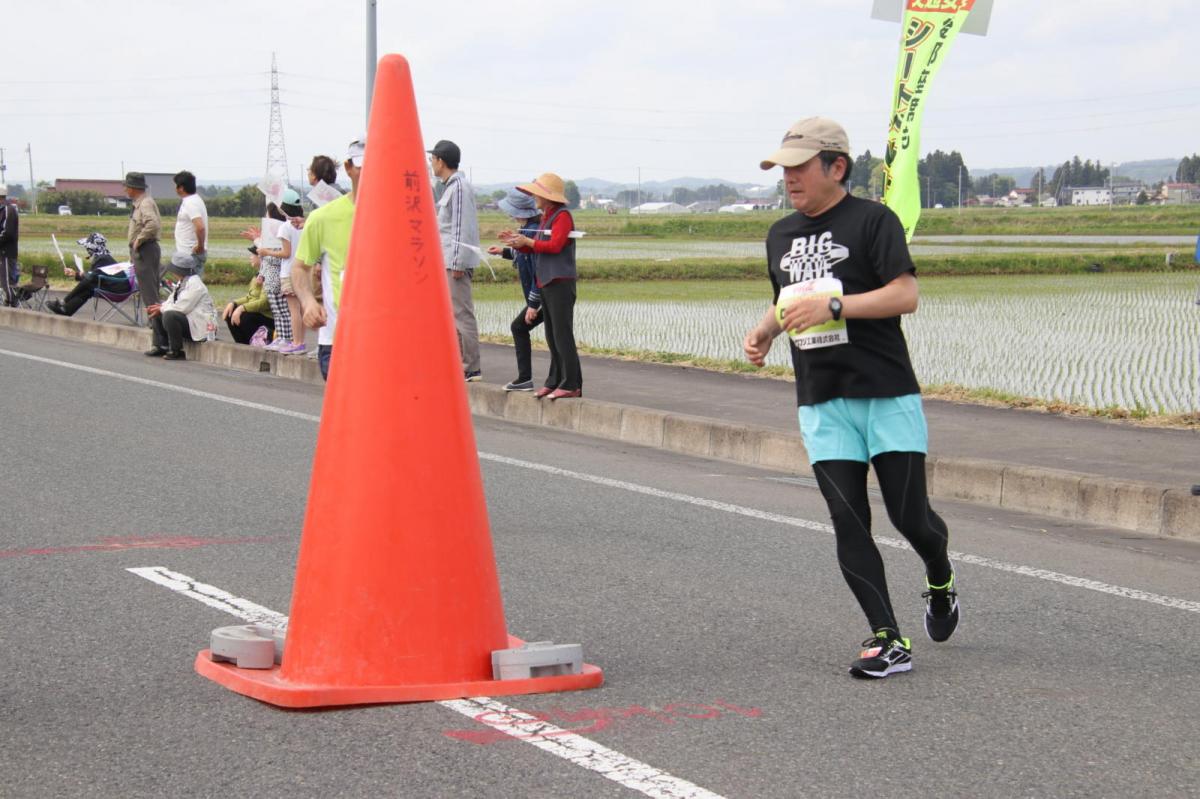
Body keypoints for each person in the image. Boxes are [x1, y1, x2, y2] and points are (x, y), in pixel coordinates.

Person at [742, 117, 958, 679]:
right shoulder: (780, 234)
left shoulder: (873, 221)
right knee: (848, 519)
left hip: (885, 391)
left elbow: (906, 295)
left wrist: (838, 307)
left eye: (799, 167)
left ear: (836, 167)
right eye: (783, 169)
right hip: (821, 396)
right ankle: (887, 636)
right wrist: (766, 328)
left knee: (912, 520)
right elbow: (788, 297)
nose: (788, 178)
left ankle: (939, 575)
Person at [499, 172, 581, 400]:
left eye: (537, 193)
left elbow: (555, 246)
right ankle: (554, 381)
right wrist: (518, 244)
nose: (534, 197)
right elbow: (536, 248)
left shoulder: (563, 216)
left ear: (548, 196)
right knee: (552, 335)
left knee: (562, 335)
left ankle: (571, 383)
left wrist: (528, 242)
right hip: (546, 282)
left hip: (560, 283)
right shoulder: (547, 217)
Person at [292, 138, 362, 381]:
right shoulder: (323, 217)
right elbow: (300, 267)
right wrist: (308, 301)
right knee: (347, 418)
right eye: (363, 166)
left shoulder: (404, 219)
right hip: (336, 342)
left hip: (388, 344)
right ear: (349, 167)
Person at [427, 139, 482, 382]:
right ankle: (461, 363)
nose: (431, 163)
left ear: (441, 160)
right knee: (454, 314)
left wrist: (458, 263)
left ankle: (471, 367)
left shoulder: (458, 187)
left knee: (462, 313)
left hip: (454, 261)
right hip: (448, 260)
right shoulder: (450, 186)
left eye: (432, 159)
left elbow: (461, 226)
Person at [487, 188, 543, 391]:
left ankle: (527, 378)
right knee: (553, 337)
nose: (510, 214)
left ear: (520, 211)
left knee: (520, 327)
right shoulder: (528, 229)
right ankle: (533, 379)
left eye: (512, 210)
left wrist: (533, 304)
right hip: (540, 295)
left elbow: (540, 270)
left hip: (543, 295)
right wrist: (502, 251)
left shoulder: (535, 232)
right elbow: (523, 254)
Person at [146, 253, 216, 361]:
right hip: (190, 321)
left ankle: (176, 350)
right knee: (160, 311)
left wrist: (161, 309)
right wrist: (160, 307)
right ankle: (160, 346)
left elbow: (182, 307)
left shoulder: (195, 285)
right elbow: (171, 300)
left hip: (201, 326)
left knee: (170, 315)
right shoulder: (182, 282)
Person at [257, 190, 303, 354]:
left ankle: (295, 342)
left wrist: (267, 252)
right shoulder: (303, 225)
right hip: (302, 271)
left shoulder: (285, 227)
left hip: (288, 273)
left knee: (292, 311)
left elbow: (286, 253)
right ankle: (297, 341)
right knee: (298, 310)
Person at [46, 233, 132, 316]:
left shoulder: (102, 259)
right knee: (88, 287)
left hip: (119, 292)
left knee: (88, 286)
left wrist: (78, 275)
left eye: (87, 248)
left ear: (91, 248)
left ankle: (64, 303)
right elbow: (92, 277)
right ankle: (65, 309)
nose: (87, 250)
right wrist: (75, 274)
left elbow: (89, 279)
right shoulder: (104, 256)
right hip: (121, 290)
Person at [124, 172, 162, 314]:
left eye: (126, 186)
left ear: (133, 188)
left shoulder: (145, 203)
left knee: (149, 290)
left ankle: (156, 325)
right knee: (148, 289)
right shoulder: (141, 203)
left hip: (146, 249)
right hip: (143, 250)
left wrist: (139, 239)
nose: (125, 190)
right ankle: (156, 324)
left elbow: (153, 224)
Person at [222, 249, 274, 345]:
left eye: (253, 255)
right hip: (259, 313)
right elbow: (249, 297)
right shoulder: (257, 276)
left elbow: (264, 303)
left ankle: (255, 344)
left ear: (261, 258)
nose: (250, 257)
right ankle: (243, 345)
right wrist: (234, 303)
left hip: (269, 317)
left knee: (244, 317)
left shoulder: (269, 275)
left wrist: (242, 308)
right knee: (230, 313)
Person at [172, 170, 208, 277]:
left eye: (176, 186)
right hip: (186, 253)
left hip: (190, 254)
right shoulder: (192, 200)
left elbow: (200, 227)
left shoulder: (191, 202)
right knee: (187, 287)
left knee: (191, 287)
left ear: (181, 188)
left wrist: (200, 246)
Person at [0, 184, 19, 307]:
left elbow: (7, 233)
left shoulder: (8, 209)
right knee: (3, 280)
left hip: (6, 251)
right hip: (2, 250)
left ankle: (12, 303)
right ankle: (9, 302)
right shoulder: (3, 209)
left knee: (7, 280)